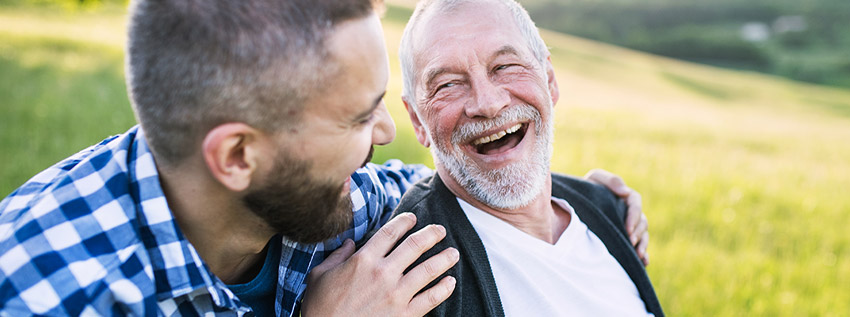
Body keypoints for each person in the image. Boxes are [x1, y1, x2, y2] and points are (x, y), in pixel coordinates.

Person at [0, 0, 648, 315]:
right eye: (359, 115)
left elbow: (445, 179)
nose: (389, 131)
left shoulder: (335, 199)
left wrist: (583, 201)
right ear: (237, 154)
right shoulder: (46, 293)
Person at [379, 0, 665, 315]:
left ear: (550, 80)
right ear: (418, 122)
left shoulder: (608, 210)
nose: (487, 104)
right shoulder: (413, 280)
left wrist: (604, 201)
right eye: (447, 85)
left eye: (504, 66)